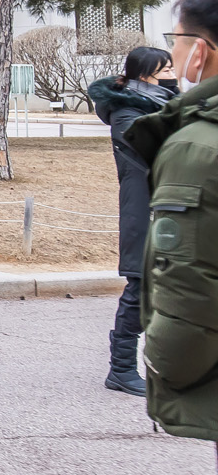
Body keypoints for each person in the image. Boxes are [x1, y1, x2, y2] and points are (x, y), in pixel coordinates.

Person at [126, 0, 218, 468]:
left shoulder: (197, 146)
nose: (173, 54)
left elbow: (188, 276)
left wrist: (162, 359)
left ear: (199, 52)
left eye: (175, 41)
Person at [87, 45, 176, 396]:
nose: (172, 74)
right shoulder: (127, 112)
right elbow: (160, 151)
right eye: (164, 69)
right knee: (140, 287)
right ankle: (121, 368)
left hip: (168, 209)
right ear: (144, 75)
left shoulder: (166, 106)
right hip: (144, 208)